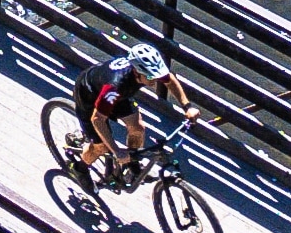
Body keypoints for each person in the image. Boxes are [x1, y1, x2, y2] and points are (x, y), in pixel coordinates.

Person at [71, 42, 200, 189]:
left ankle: (132, 163)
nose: (155, 79)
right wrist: (116, 150)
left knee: (138, 128)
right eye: (151, 76)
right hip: (90, 96)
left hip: (119, 96)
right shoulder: (115, 86)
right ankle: (79, 168)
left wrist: (187, 107)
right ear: (136, 72)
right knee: (101, 147)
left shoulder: (148, 71)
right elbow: (97, 119)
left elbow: (169, 79)